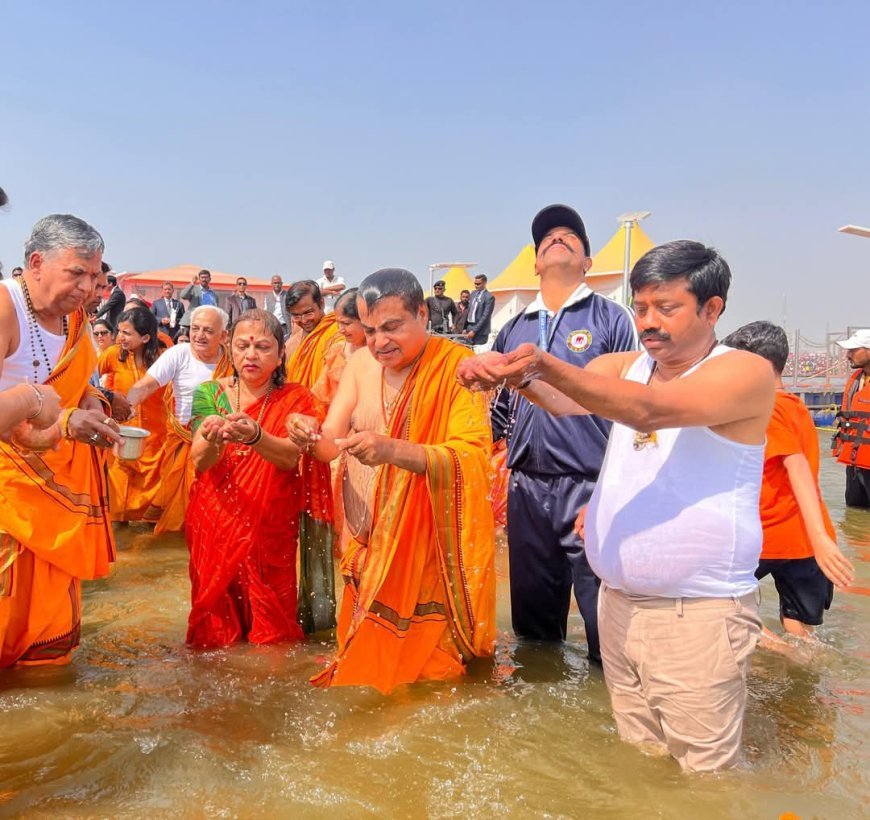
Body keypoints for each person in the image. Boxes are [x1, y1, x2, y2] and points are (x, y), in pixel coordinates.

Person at [459, 240, 775, 772]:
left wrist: (544, 365)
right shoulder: (624, 366)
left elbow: (649, 412)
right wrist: (510, 374)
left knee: (708, 779)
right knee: (643, 763)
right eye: (641, 307)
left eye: (666, 308)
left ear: (713, 308)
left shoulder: (744, 372)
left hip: (695, 613)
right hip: (619, 606)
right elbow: (562, 402)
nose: (649, 322)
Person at [288, 268, 496, 693]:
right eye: (369, 330)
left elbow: (473, 458)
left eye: (391, 327)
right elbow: (331, 443)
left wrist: (392, 450)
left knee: (429, 686)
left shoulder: (456, 368)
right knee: (362, 680)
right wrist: (306, 432)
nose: (379, 342)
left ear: (422, 313)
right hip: (364, 545)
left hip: (425, 555)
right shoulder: (360, 363)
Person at [488, 204, 637, 664]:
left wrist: (618, 487)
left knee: (604, 625)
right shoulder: (511, 329)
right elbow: (495, 414)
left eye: (571, 236)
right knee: (532, 631)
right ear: (534, 262)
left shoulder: (613, 319)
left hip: (592, 483)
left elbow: (632, 407)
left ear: (588, 263)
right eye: (547, 237)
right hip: (527, 487)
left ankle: (608, 721)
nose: (558, 238)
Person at [0, 214, 122, 667]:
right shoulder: (5, 308)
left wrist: (89, 404)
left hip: (59, 506)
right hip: (11, 506)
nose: (88, 288)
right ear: (36, 263)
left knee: (49, 649)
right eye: (77, 273)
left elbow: (79, 386)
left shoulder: (77, 321)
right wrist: (48, 409)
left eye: (94, 275)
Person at [187, 310, 333, 648]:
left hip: (271, 525)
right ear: (230, 349)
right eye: (242, 346)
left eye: (263, 347)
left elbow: (288, 457)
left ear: (281, 354)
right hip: (216, 518)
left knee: (273, 630)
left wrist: (256, 436)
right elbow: (199, 460)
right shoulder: (210, 393)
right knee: (215, 627)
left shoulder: (297, 399)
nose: (251, 355)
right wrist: (213, 438)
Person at [722, 321, 854, 640]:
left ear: (759, 366)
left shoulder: (765, 408)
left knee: (721, 611)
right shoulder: (795, 406)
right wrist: (820, 537)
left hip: (768, 534)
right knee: (799, 629)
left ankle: (778, 652)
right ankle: (801, 679)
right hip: (807, 539)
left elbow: (794, 465)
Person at [125, 306, 231, 533]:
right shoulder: (179, 353)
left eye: (208, 331)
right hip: (182, 444)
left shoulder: (235, 360)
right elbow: (147, 384)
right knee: (177, 513)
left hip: (222, 445)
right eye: (195, 329)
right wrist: (126, 405)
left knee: (217, 513)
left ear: (224, 335)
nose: (199, 335)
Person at [99, 307, 169, 523]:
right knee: (118, 500)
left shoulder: (164, 358)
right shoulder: (112, 355)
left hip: (156, 443)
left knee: (151, 509)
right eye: (119, 331)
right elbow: (90, 379)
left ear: (146, 337)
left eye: (127, 333)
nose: (120, 337)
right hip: (121, 438)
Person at [832, 328, 870, 508]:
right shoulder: (857, 379)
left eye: (853, 350)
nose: (848, 355)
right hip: (856, 462)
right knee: (854, 516)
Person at [312, 287, 367, 405]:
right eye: (338, 323)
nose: (340, 330)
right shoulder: (337, 351)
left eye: (346, 323)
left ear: (365, 320)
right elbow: (319, 396)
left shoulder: (381, 355)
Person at [284, 280, 339, 387]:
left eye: (308, 313)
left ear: (321, 303)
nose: (304, 320)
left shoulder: (337, 331)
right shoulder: (292, 343)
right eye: (296, 316)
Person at [179, 269, 220, 334]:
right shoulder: (194, 289)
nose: (204, 279)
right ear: (199, 279)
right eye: (202, 277)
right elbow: (183, 295)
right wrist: (192, 283)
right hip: (192, 323)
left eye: (206, 277)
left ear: (210, 279)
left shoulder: (214, 294)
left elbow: (216, 310)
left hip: (207, 324)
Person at [462, 274, 495, 347]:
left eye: (478, 284)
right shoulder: (473, 293)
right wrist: (465, 328)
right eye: (475, 283)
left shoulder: (489, 297)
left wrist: (474, 331)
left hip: (480, 331)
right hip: (469, 327)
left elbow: (485, 316)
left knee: (477, 354)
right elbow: (469, 311)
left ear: (485, 283)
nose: (476, 285)